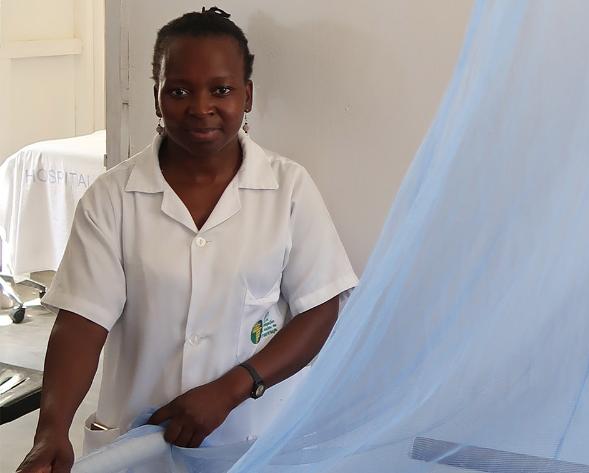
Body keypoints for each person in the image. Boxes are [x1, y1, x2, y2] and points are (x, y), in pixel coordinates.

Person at [17, 7, 358, 472]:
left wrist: (235, 387)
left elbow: (320, 308)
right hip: (139, 440)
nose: (201, 107)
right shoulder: (112, 198)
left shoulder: (288, 189)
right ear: (157, 99)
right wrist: (51, 429)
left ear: (248, 96)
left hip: (253, 440)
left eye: (221, 89)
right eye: (178, 91)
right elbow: (81, 321)